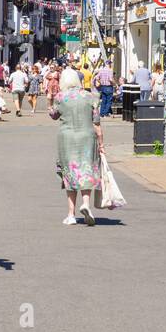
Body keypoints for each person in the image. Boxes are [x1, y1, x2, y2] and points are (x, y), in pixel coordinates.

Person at [49, 68, 104, 226]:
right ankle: (86, 204)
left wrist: (50, 101)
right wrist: (101, 144)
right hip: (87, 137)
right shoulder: (90, 96)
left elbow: (53, 115)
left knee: (70, 174)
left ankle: (71, 215)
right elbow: (97, 122)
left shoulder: (61, 97)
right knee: (86, 171)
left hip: (67, 138)